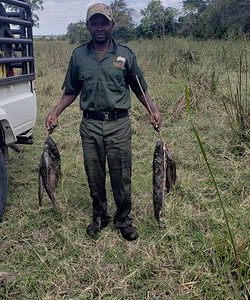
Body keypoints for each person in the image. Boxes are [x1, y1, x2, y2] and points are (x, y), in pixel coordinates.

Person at [45, 3, 162, 241]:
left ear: (112, 25)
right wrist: (55, 111)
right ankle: (99, 216)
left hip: (119, 124)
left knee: (121, 174)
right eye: (94, 22)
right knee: (94, 174)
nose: (99, 27)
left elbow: (139, 88)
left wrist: (154, 110)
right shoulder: (79, 55)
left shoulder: (125, 55)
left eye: (104, 22)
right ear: (87, 25)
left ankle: (123, 220)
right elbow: (71, 90)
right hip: (90, 125)